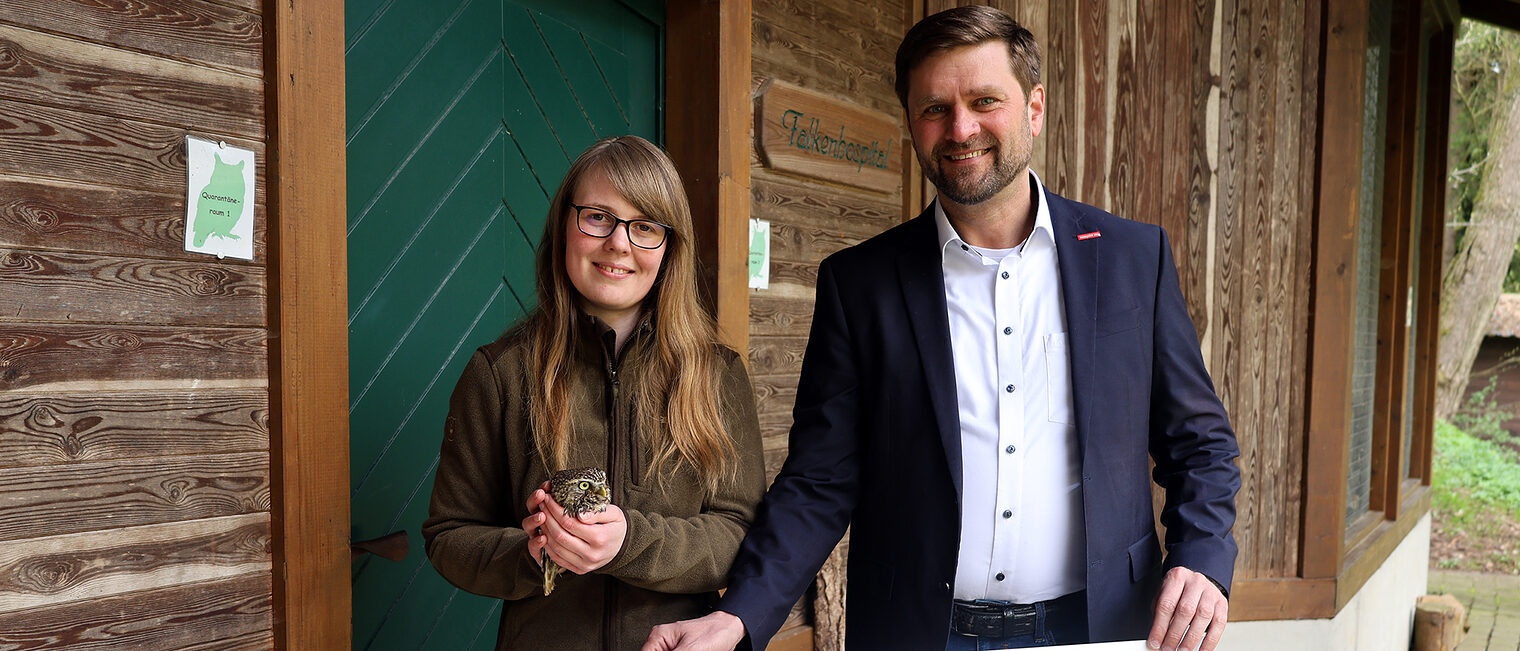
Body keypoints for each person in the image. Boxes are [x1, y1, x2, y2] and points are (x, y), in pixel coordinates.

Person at [644, 7, 1240, 651]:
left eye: (985, 100)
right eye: (934, 108)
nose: (960, 128)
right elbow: (820, 480)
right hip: (918, 633)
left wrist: (1202, 557)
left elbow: (1199, 442)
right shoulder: (859, 284)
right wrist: (740, 615)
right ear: (911, 123)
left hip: (1102, 626)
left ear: (1033, 108)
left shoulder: (1131, 258)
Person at [423, 135, 766, 650]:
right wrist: (534, 553)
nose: (619, 244)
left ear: (670, 246)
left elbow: (742, 532)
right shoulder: (500, 374)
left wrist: (629, 543)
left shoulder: (716, 375)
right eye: (599, 218)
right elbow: (449, 536)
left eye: (645, 226)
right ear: (565, 224)